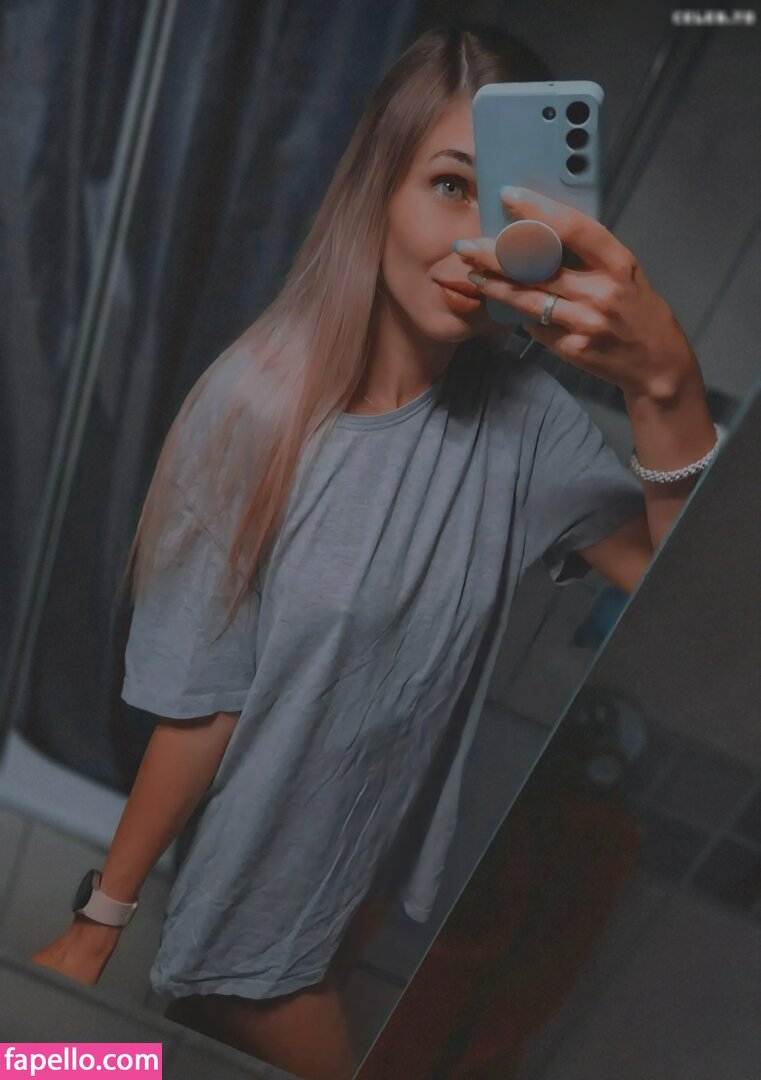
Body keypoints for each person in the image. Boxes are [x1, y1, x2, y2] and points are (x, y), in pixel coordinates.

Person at [31, 21, 718, 1080]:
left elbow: (678, 603)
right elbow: (203, 702)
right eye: (448, 185)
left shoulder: (524, 423)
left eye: (505, 208)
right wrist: (99, 921)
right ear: (375, 187)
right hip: (252, 922)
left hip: (357, 885)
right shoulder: (257, 410)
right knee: (72, 1061)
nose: (475, 240)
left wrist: (663, 386)